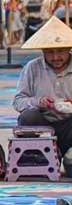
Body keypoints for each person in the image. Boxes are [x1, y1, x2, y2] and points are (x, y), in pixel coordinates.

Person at [13, 17, 72, 158]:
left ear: (69, 49)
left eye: (60, 51)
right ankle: (34, 155)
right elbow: (18, 101)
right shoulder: (32, 67)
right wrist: (39, 102)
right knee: (27, 117)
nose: (56, 57)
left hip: (69, 124)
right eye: (50, 52)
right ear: (43, 51)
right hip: (43, 122)